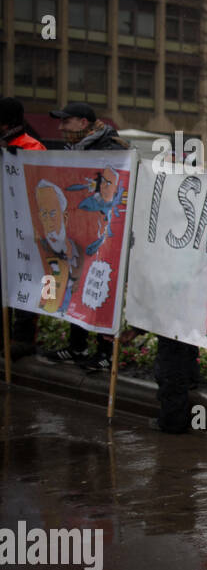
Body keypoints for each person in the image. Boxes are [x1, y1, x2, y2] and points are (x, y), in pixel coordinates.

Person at [43, 102, 128, 372]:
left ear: (82, 122)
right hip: (79, 229)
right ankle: (77, 345)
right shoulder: (75, 150)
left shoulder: (112, 148)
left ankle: (106, 353)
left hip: (105, 232)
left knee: (102, 287)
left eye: (66, 122)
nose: (61, 128)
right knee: (76, 284)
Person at [2, 97, 45, 358]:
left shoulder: (31, 146)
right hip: (3, 228)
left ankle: (23, 337)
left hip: (24, 230)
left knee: (26, 282)